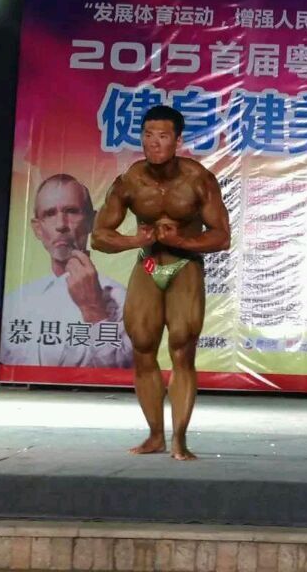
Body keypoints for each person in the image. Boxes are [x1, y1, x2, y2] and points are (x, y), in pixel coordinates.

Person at [92, 105, 230, 460]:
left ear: (177, 140)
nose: (154, 143)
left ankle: (180, 439)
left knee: (182, 347)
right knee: (142, 346)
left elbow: (222, 236)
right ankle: (155, 435)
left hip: (185, 265)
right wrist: (134, 240)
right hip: (149, 263)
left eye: (163, 136)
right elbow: (99, 236)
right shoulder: (130, 182)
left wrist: (182, 240)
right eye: (148, 135)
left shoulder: (198, 179)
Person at [1, 174, 131, 368]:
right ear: (37, 228)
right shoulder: (16, 303)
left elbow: (121, 372)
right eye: (49, 214)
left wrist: (93, 309)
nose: (61, 225)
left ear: (91, 221)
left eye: (71, 211)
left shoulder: (121, 299)